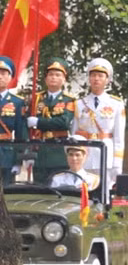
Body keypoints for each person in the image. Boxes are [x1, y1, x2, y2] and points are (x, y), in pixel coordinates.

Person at [72, 57, 126, 181]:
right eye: (93, 75)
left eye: (101, 76)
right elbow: (74, 132)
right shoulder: (79, 103)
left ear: (107, 80)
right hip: (84, 153)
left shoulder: (116, 104)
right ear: (89, 78)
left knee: (104, 192)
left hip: (105, 153)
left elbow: (119, 137)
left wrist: (117, 163)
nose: (96, 79)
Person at [27, 58, 75, 173]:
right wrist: (27, 152)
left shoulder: (69, 100)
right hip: (39, 150)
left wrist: (38, 122)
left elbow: (63, 123)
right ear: (45, 78)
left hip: (58, 152)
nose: (54, 77)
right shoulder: (36, 99)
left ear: (64, 79)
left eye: (58, 75)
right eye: (51, 74)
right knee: (38, 188)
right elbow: (27, 126)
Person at [0, 55, 28, 183]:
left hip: (6, 155)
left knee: (6, 195)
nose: (0, 76)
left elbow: (21, 133)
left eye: (4, 73)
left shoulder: (17, 102)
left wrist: (18, 160)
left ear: (10, 77)